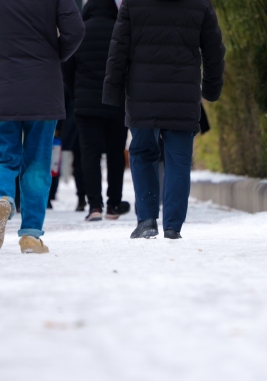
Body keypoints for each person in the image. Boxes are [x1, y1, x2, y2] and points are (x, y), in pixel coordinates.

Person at [0, 0, 85, 254]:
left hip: (1, 85)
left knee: (1, 155)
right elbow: (75, 30)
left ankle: (1, 198)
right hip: (44, 87)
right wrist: (53, 56)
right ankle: (30, 235)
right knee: (38, 161)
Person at [102, 0, 225, 239]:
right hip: (183, 94)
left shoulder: (132, 4)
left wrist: (112, 91)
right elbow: (214, 50)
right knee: (178, 160)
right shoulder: (199, 4)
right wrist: (211, 89)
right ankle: (173, 226)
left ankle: (147, 220)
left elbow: (118, 50)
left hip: (142, 94)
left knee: (142, 153)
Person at [65, 0, 131, 222]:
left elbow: (67, 67)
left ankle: (94, 206)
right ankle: (113, 204)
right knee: (116, 154)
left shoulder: (79, 32)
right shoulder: (121, 30)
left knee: (89, 155)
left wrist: (76, 94)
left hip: (85, 104)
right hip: (116, 104)